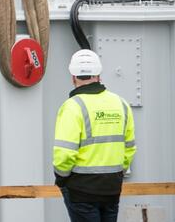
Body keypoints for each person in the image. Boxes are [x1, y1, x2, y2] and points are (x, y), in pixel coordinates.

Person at [53, 49, 136, 222]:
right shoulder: (121, 104)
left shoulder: (72, 106)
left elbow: (64, 154)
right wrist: (116, 173)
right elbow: (129, 148)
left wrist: (61, 178)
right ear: (99, 75)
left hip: (81, 190)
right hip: (112, 188)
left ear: (73, 76)